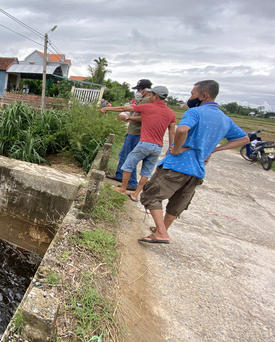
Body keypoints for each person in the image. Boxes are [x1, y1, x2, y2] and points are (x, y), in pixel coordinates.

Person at [138, 80, 249, 244]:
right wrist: (213, 150)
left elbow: (182, 129)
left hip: (177, 165)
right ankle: (162, 229)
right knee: (177, 203)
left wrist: (176, 149)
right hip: (197, 170)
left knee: (150, 194)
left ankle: (161, 233)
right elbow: (244, 139)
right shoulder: (225, 119)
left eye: (192, 94)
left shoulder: (196, 112)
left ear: (203, 96)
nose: (191, 97)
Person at [99, 86, 176, 201]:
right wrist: (171, 146)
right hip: (158, 147)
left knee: (128, 164)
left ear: (156, 96)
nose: (149, 97)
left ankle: (123, 188)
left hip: (145, 143)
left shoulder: (148, 107)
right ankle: (135, 194)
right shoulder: (171, 113)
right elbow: (172, 130)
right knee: (146, 172)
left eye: (150, 95)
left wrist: (107, 108)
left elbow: (123, 108)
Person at [107, 79, 153, 190]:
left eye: (138, 89)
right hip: (132, 132)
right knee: (123, 155)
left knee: (130, 158)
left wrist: (128, 117)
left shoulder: (148, 100)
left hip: (136, 133)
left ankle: (131, 182)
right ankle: (120, 176)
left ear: (143, 90)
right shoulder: (144, 99)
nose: (137, 92)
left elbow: (145, 118)